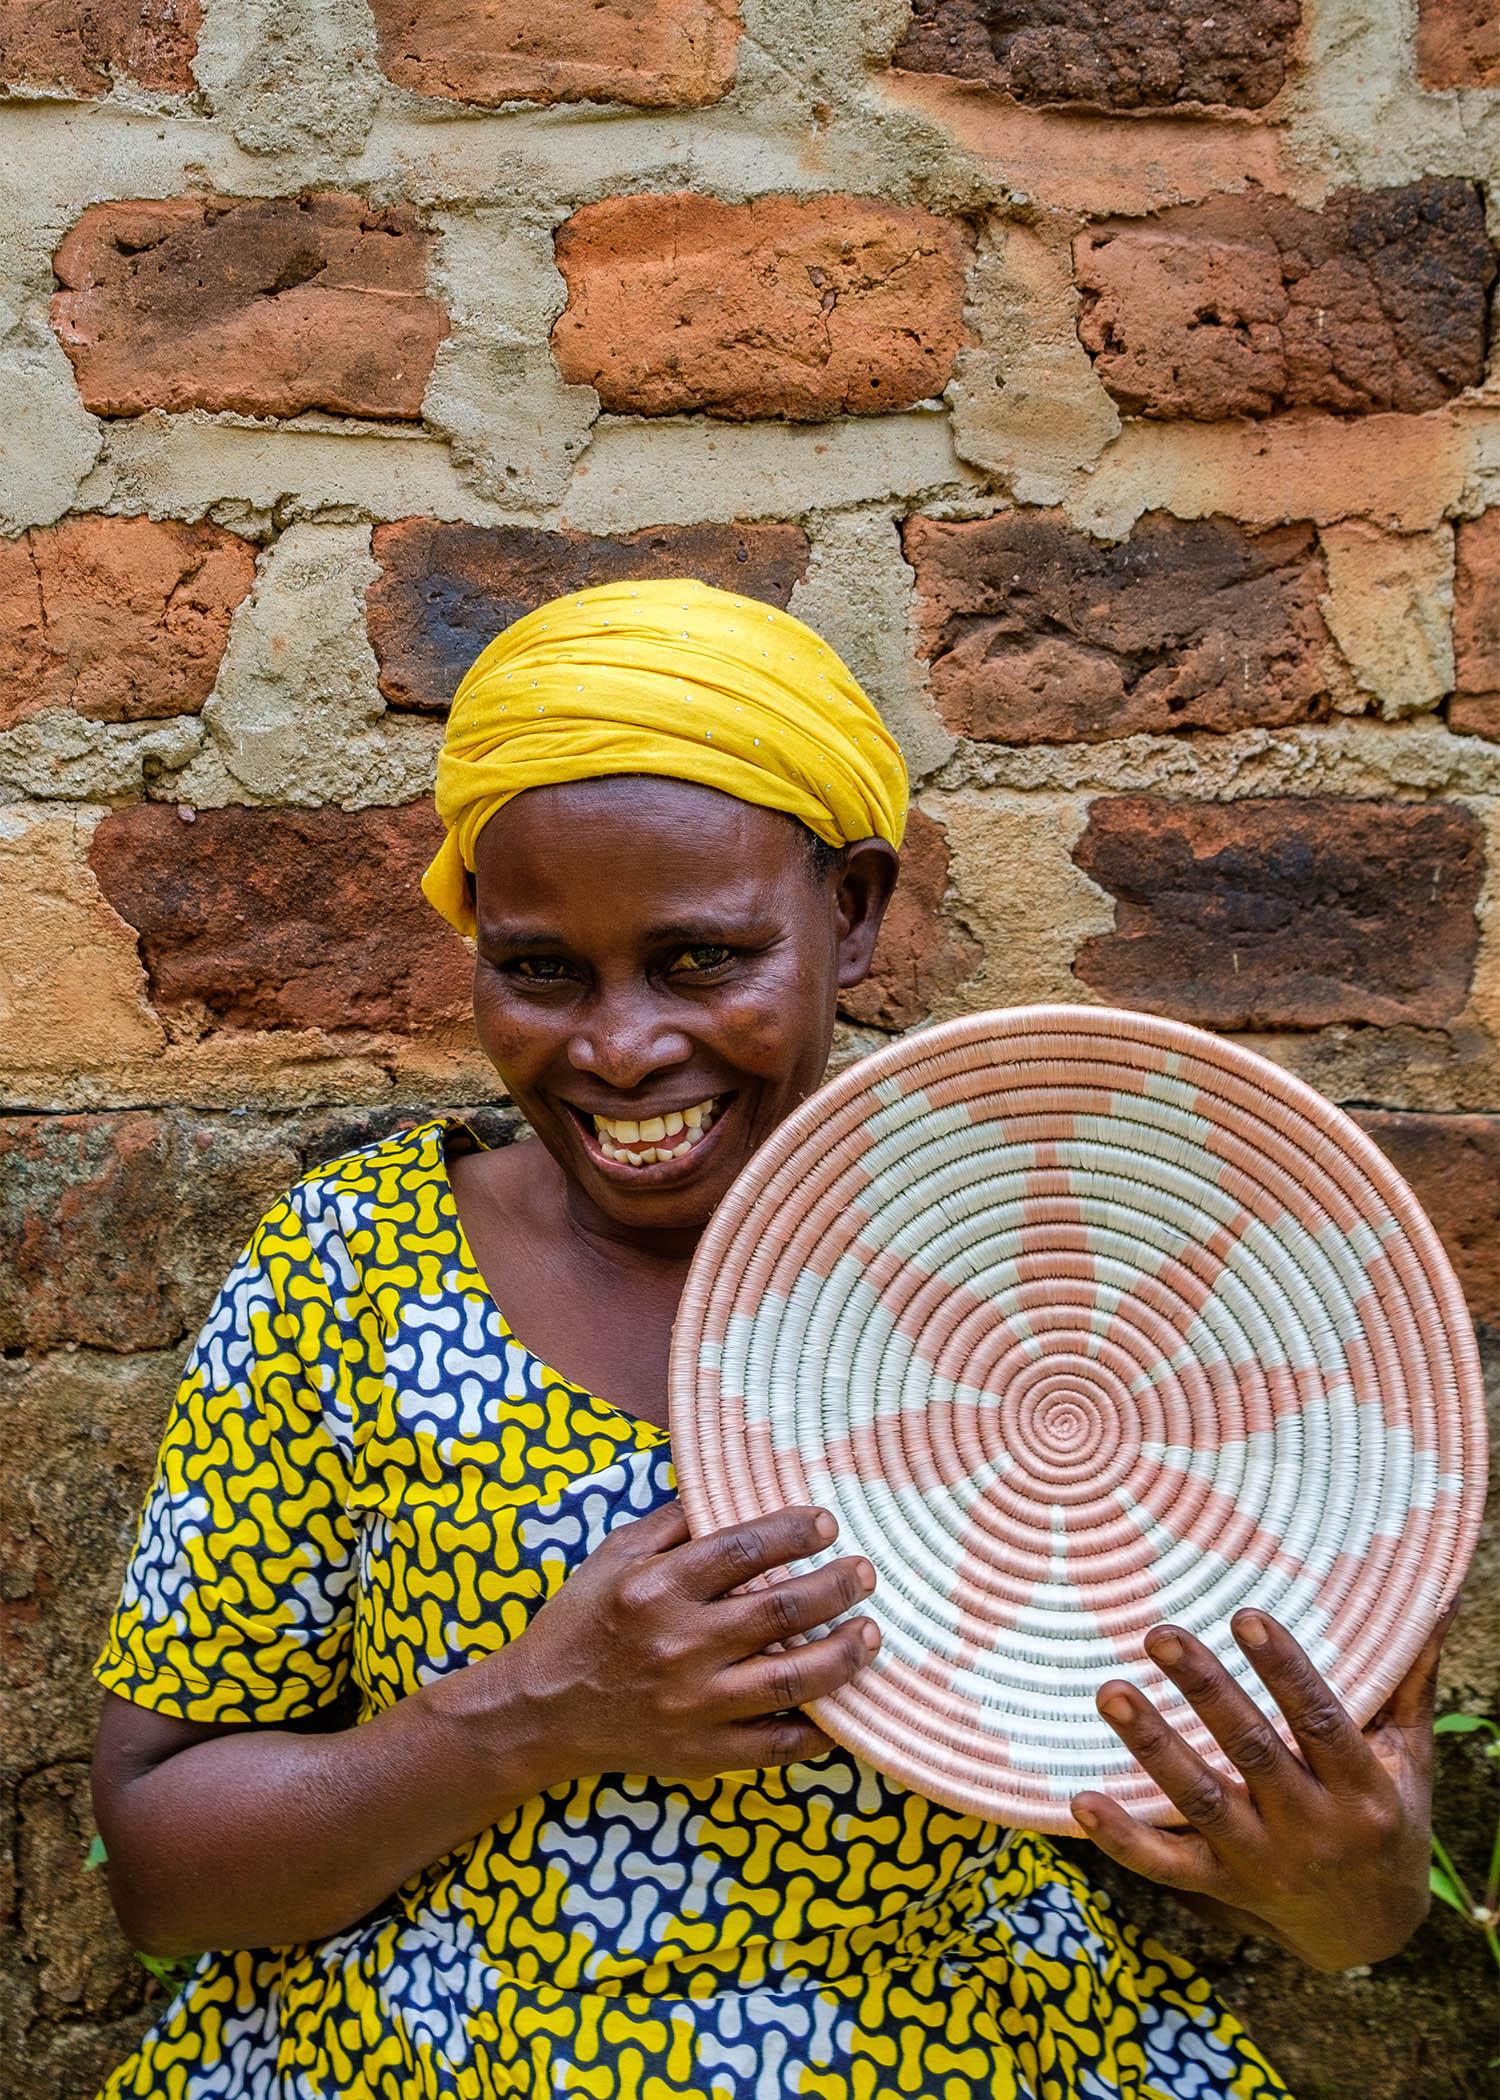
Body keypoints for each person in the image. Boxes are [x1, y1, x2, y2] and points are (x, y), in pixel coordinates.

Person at [91, 580, 1448, 2100]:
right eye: (539, 969)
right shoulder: (357, 1271)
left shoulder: (1098, 1286)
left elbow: (1355, 1918)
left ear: (853, 913)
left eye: (701, 959)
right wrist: (531, 1717)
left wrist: (1338, 1878)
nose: (618, 1047)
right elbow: (161, 1864)